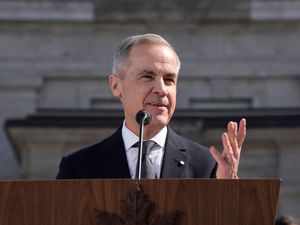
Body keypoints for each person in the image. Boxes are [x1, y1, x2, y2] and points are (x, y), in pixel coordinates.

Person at [56, 33, 246, 179]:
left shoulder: (206, 165)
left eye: (169, 79)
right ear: (116, 85)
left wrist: (227, 191)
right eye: (148, 77)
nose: (162, 89)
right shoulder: (79, 168)